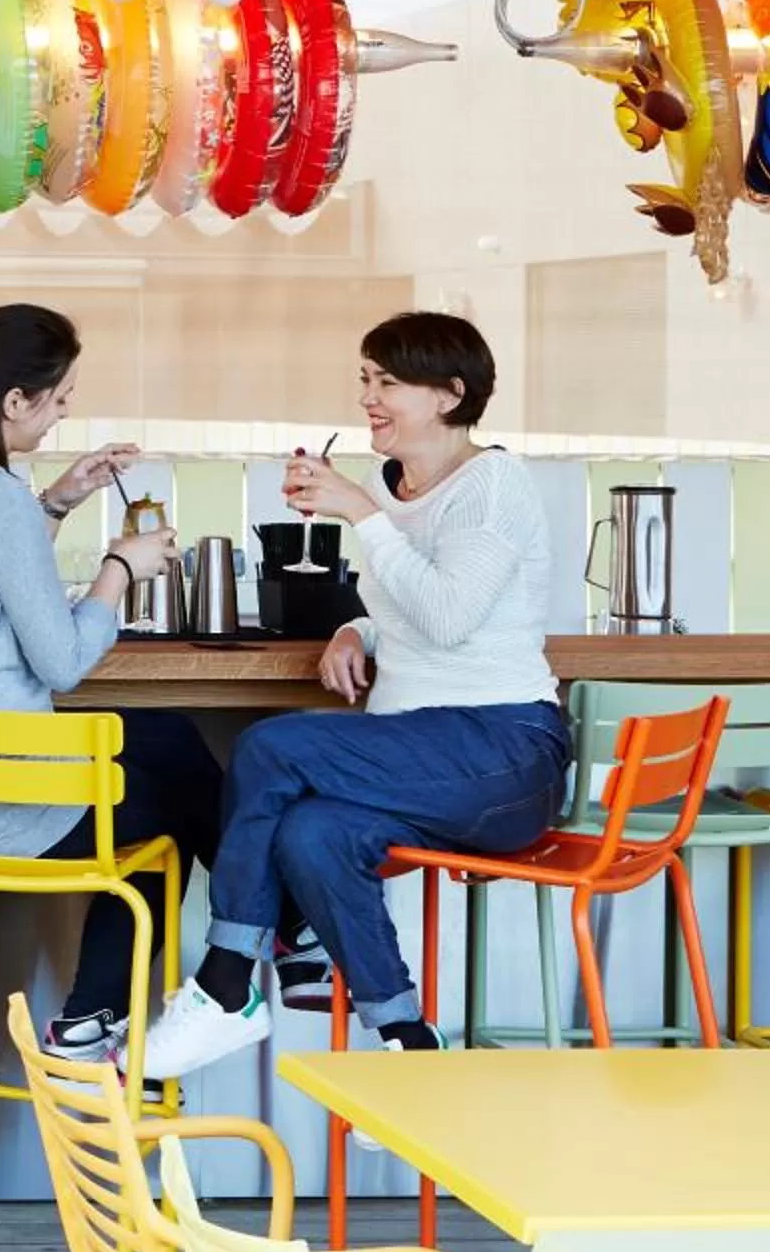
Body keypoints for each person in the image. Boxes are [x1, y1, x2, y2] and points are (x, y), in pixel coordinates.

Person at [140, 312, 568, 1080]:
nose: (369, 397)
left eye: (388, 382)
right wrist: (356, 633)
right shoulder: (387, 485)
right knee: (312, 834)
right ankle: (408, 1043)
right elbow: (411, 609)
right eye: (366, 379)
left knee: (271, 747)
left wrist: (363, 516)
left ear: (449, 395)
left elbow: (450, 615)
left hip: (503, 755)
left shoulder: (493, 485)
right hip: (418, 758)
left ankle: (227, 983)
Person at [0, 304, 281, 1065]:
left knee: (165, 738)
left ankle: (232, 956)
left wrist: (59, 500)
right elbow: (60, 662)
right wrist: (120, 568)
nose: (64, 412)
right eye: (58, 398)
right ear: (14, 401)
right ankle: (250, 950)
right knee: (174, 812)